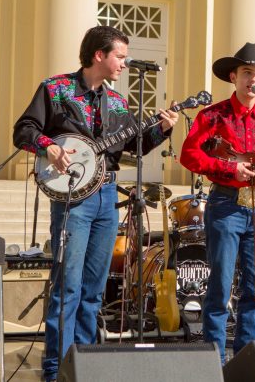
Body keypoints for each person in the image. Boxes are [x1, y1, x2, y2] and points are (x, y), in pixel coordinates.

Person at [13, 26, 179, 381]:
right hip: (73, 198)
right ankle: (56, 369)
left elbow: (133, 147)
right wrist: (49, 146)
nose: (124, 62)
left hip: (106, 196)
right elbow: (23, 129)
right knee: (67, 286)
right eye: (120, 55)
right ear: (99, 55)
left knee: (93, 288)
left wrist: (162, 129)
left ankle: (84, 364)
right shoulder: (55, 89)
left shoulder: (118, 102)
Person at [180, 42, 255, 364]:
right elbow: (190, 154)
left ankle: (246, 360)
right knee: (220, 287)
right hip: (225, 205)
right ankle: (213, 360)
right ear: (234, 76)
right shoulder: (212, 115)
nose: (253, 79)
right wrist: (228, 168)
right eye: (247, 73)